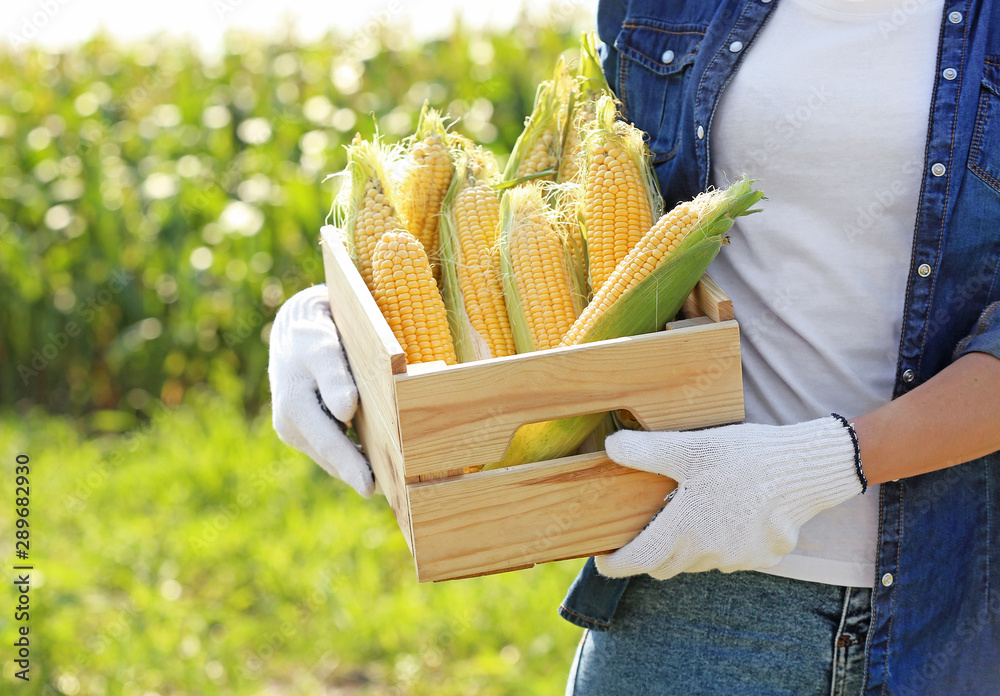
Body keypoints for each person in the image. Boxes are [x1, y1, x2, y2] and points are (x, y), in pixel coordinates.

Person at [268, 0, 1000, 692]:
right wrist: (339, 313)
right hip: (691, 570)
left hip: (964, 603)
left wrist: (821, 464)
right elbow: (582, 213)